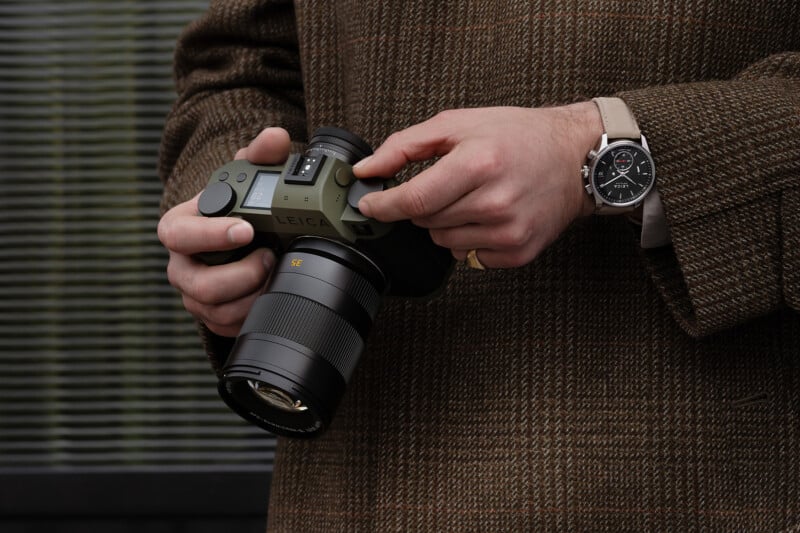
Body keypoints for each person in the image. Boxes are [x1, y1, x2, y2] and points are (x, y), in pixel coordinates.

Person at [157, 1, 800, 530]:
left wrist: (601, 150)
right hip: (347, 479)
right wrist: (230, 216)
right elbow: (236, 70)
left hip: (677, 474)